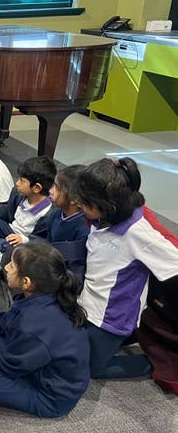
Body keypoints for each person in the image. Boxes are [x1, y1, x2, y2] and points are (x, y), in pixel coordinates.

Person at [72, 157, 178, 379]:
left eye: (84, 202)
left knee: (92, 369)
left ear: (107, 206)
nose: (78, 204)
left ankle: (154, 363)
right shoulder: (101, 219)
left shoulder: (137, 232)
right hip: (89, 303)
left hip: (113, 316)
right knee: (73, 350)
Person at [0, 242, 90, 418]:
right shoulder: (48, 294)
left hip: (50, 398)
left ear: (26, 282)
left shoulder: (34, 325)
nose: (6, 267)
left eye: (12, 266)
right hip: (40, 365)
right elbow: (11, 317)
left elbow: (12, 365)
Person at [0, 156, 56, 262]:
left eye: (22, 181)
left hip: (24, 242)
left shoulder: (48, 213)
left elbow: (43, 241)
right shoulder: (18, 194)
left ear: (36, 188)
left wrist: (24, 239)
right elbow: (9, 213)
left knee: (19, 251)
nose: (17, 183)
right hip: (10, 230)